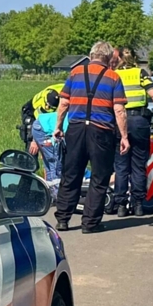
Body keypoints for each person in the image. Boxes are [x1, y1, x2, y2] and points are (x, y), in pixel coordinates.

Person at [54, 42, 129, 234]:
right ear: (108, 57)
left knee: (71, 174)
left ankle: (62, 219)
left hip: (76, 129)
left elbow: (63, 103)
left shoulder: (75, 73)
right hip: (101, 131)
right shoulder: (113, 77)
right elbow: (119, 110)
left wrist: (58, 127)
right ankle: (90, 223)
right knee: (99, 177)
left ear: (91, 55)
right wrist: (124, 137)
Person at [112, 47, 153, 217]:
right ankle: (138, 204)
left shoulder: (114, 75)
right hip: (139, 122)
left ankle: (121, 205)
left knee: (121, 165)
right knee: (138, 164)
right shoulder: (140, 73)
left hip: (119, 121)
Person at [22, 84, 66, 189]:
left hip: (46, 120)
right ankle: (25, 187)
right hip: (30, 115)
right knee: (32, 152)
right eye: (49, 107)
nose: (50, 109)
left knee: (52, 154)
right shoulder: (41, 104)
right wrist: (35, 141)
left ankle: (50, 186)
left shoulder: (64, 96)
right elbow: (40, 124)